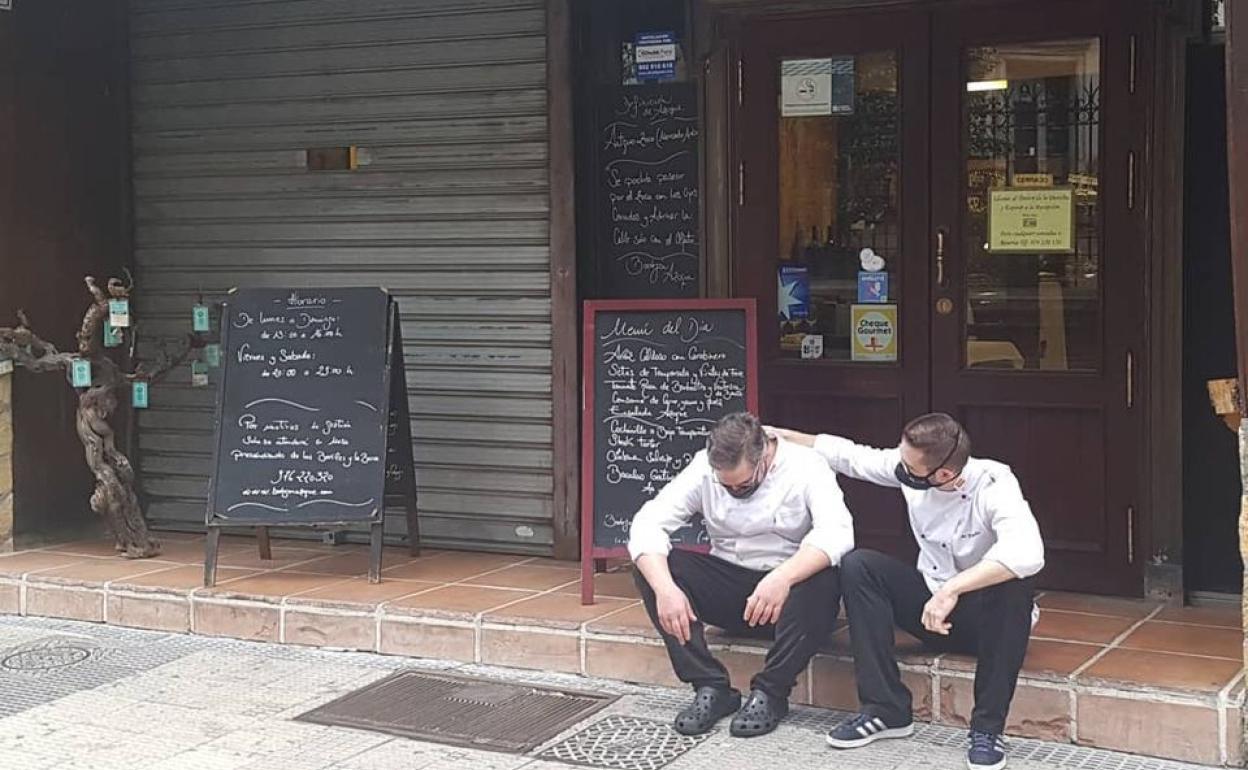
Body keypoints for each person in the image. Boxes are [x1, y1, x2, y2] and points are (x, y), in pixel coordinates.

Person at [774, 413, 1043, 770]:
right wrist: (782, 435)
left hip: (986, 622)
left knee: (1015, 584)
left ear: (943, 474)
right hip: (930, 611)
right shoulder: (913, 470)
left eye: (907, 464)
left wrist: (953, 589)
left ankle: (986, 731)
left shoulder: (995, 482)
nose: (899, 467)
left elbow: (1027, 552)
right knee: (859, 565)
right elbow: (851, 456)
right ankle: (885, 709)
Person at [629, 411, 855, 738]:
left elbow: (838, 533)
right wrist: (666, 590)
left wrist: (783, 578)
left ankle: (771, 693)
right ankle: (710, 686)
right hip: (732, 590)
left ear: (764, 455)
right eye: (727, 485)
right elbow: (648, 523)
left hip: (788, 601)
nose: (735, 490)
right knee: (653, 566)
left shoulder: (807, 465)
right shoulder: (702, 467)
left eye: (745, 484)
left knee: (826, 576)